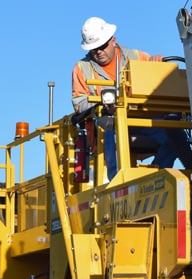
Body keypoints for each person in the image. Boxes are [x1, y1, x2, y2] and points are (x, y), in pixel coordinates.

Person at [72, 17, 176, 180]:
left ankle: (156, 178)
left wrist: (156, 63)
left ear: (113, 41)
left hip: (140, 119)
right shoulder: (82, 68)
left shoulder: (135, 56)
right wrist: (102, 100)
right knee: (110, 129)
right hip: (108, 126)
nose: (99, 51)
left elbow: (157, 77)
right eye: (94, 49)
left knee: (174, 137)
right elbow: (79, 104)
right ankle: (118, 183)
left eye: (102, 46)